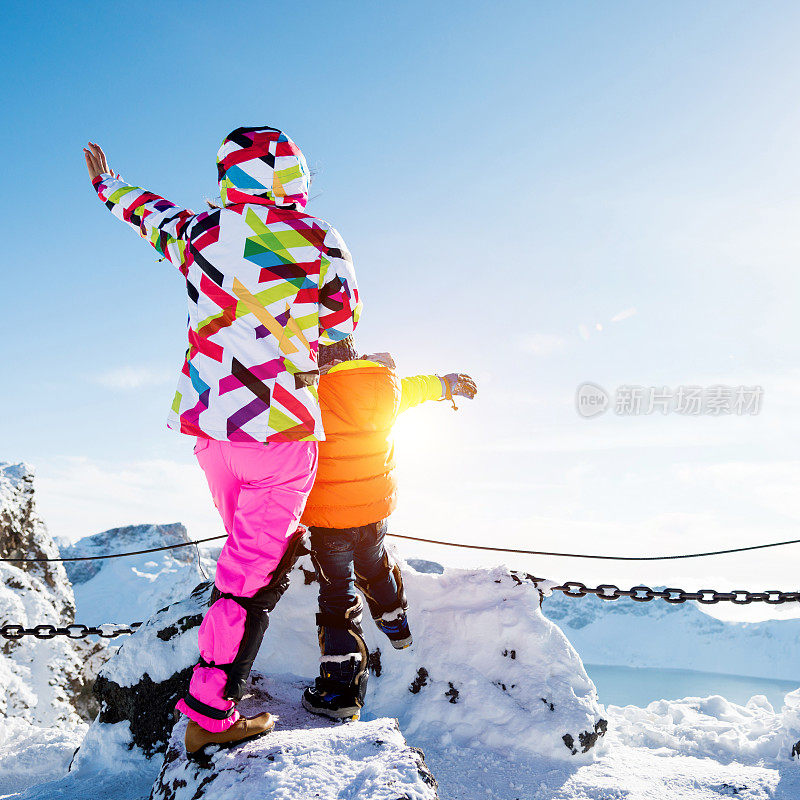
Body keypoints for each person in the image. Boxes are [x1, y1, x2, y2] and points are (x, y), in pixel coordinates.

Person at [83, 127, 361, 755]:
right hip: (280, 430)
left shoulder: (199, 233)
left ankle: (230, 660)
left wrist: (106, 182)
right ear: (291, 174)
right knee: (246, 577)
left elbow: (144, 211)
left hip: (211, 428)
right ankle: (210, 712)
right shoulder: (320, 240)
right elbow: (340, 335)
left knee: (251, 557)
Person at [299, 336, 477, 719]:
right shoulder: (386, 387)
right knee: (375, 562)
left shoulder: (308, 390)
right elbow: (422, 387)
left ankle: (341, 693)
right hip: (374, 511)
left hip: (330, 520)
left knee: (337, 598)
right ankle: (396, 623)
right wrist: (448, 384)